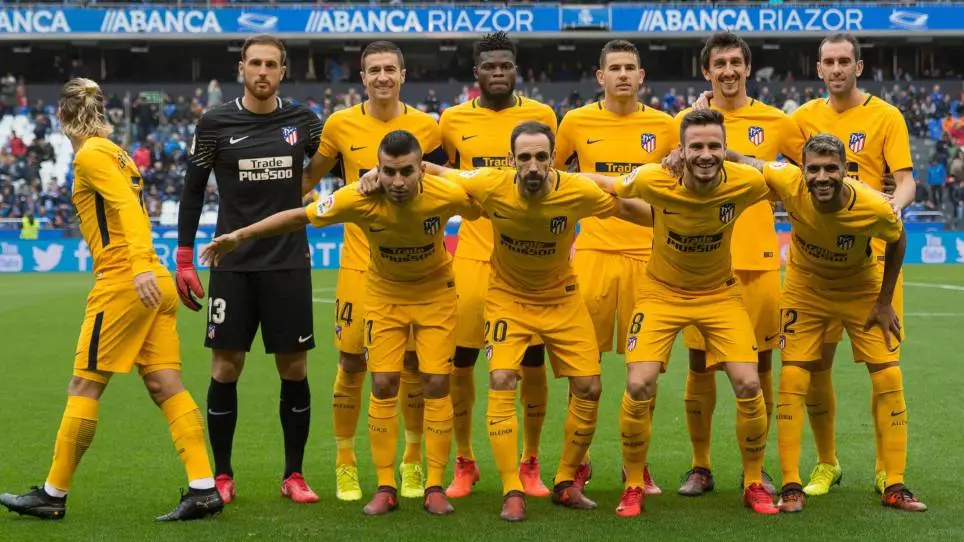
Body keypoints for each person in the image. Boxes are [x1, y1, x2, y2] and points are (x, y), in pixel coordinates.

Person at [203, 130, 480, 517]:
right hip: (383, 296)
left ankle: (434, 484)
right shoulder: (358, 198)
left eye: (406, 172)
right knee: (383, 382)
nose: (397, 182)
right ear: (376, 170)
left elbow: (486, 201)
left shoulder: (445, 194)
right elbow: (300, 215)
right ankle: (385, 485)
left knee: (435, 382)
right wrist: (239, 235)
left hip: (435, 295)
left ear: (421, 170)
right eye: (388, 172)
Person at [0, 78, 222, 521]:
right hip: (152, 280)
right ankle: (203, 488)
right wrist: (149, 265)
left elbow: (122, 206)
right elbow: (134, 207)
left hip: (125, 280)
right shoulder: (117, 152)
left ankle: (52, 494)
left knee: (84, 384)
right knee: (166, 384)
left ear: (62, 115)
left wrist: (138, 264)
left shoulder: (89, 155)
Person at [423, 121, 653, 521]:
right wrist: (381, 173)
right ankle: (512, 487)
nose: (532, 166)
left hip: (562, 299)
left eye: (541, 157)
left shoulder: (576, 189)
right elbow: (440, 172)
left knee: (589, 386)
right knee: (500, 379)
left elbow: (625, 206)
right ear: (511, 160)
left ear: (552, 161)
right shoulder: (491, 183)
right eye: (524, 157)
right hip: (508, 299)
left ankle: (565, 480)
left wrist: (670, 215)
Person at [589, 109, 779, 516]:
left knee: (748, 383)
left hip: (720, 295)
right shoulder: (652, 179)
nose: (706, 154)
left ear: (725, 149)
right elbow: (606, 185)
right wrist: (550, 178)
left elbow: (792, 184)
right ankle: (635, 483)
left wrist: (747, 160)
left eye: (714, 146)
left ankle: (753, 481)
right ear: (682, 150)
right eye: (697, 146)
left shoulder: (744, 182)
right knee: (639, 384)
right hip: (661, 294)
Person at [725, 134, 926, 513]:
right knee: (794, 378)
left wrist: (884, 301)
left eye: (830, 168)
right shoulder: (787, 180)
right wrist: (715, 151)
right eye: (813, 169)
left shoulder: (871, 205)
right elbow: (748, 161)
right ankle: (790, 486)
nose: (821, 176)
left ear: (844, 170)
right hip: (806, 289)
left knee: (888, 378)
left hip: (859, 288)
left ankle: (895, 485)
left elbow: (898, 240)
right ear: (802, 170)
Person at [174, 34, 324, 505]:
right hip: (232, 264)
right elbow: (193, 191)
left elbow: (331, 167)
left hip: (287, 262)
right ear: (241, 68)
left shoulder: (304, 121)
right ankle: (222, 475)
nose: (262, 71)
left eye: (271, 64)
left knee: (294, 367)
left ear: (283, 71)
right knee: (225, 367)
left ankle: (293, 474)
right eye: (254, 63)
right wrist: (183, 256)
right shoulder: (215, 123)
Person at [303, 40, 445, 502]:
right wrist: (343, 197)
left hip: (415, 266)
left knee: (410, 365)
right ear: (362, 77)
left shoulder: (428, 127)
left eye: (390, 69)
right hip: (359, 265)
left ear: (403, 75)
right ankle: (346, 462)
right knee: (352, 362)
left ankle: (411, 461)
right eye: (373, 70)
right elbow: (308, 181)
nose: (382, 76)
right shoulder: (340, 124)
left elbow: (446, 183)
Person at [673, 32, 806, 497]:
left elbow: (804, 174)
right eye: (719, 64)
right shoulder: (686, 122)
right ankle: (700, 466)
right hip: (701, 265)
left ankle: (757, 468)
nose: (728, 70)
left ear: (748, 68)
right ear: (706, 71)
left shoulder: (776, 121)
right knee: (700, 367)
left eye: (735, 62)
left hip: (760, 261)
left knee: (760, 370)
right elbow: (663, 177)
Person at [790, 33, 916, 497]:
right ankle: (827, 464)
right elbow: (768, 160)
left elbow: (905, 181)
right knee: (817, 365)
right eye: (829, 61)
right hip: (819, 265)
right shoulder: (802, 118)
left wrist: (892, 209)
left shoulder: (887, 115)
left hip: (875, 260)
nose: (838, 68)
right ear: (819, 68)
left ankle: (888, 468)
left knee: (883, 366)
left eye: (846, 60)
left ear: (858, 67)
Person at [554, 38, 678, 497]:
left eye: (631, 67)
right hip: (591, 258)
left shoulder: (665, 126)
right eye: (615, 68)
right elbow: (553, 182)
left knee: (643, 374)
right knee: (583, 370)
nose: (624, 74)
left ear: (642, 76)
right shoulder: (576, 122)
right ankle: (577, 461)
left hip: (649, 261)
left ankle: (637, 468)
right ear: (599, 75)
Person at [438, 31, 558, 500]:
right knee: (461, 362)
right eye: (489, 66)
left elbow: (556, 180)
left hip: (528, 260)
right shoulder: (451, 121)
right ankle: (465, 461)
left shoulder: (542, 117)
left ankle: (530, 461)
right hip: (471, 255)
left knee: (530, 363)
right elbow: (441, 179)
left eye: (505, 65)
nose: (497, 73)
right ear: (476, 72)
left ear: (516, 68)